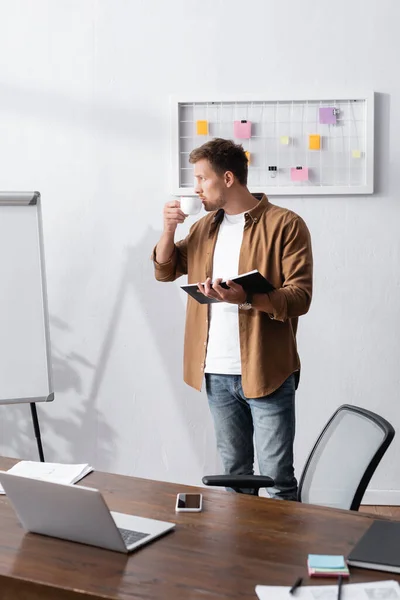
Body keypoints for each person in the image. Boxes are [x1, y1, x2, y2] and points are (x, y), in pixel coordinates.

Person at [152, 138, 313, 500]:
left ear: (227, 178)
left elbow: (300, 297)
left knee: (276, 480)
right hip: (216, 371)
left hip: (267, 368)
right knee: (234, 477)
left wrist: (247, 298)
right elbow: (164, 270)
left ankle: (282, 555)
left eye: (201, 178)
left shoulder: (285, 225)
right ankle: (241, 556)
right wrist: (167, 229)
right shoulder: (203, 227)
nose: (196, 188)